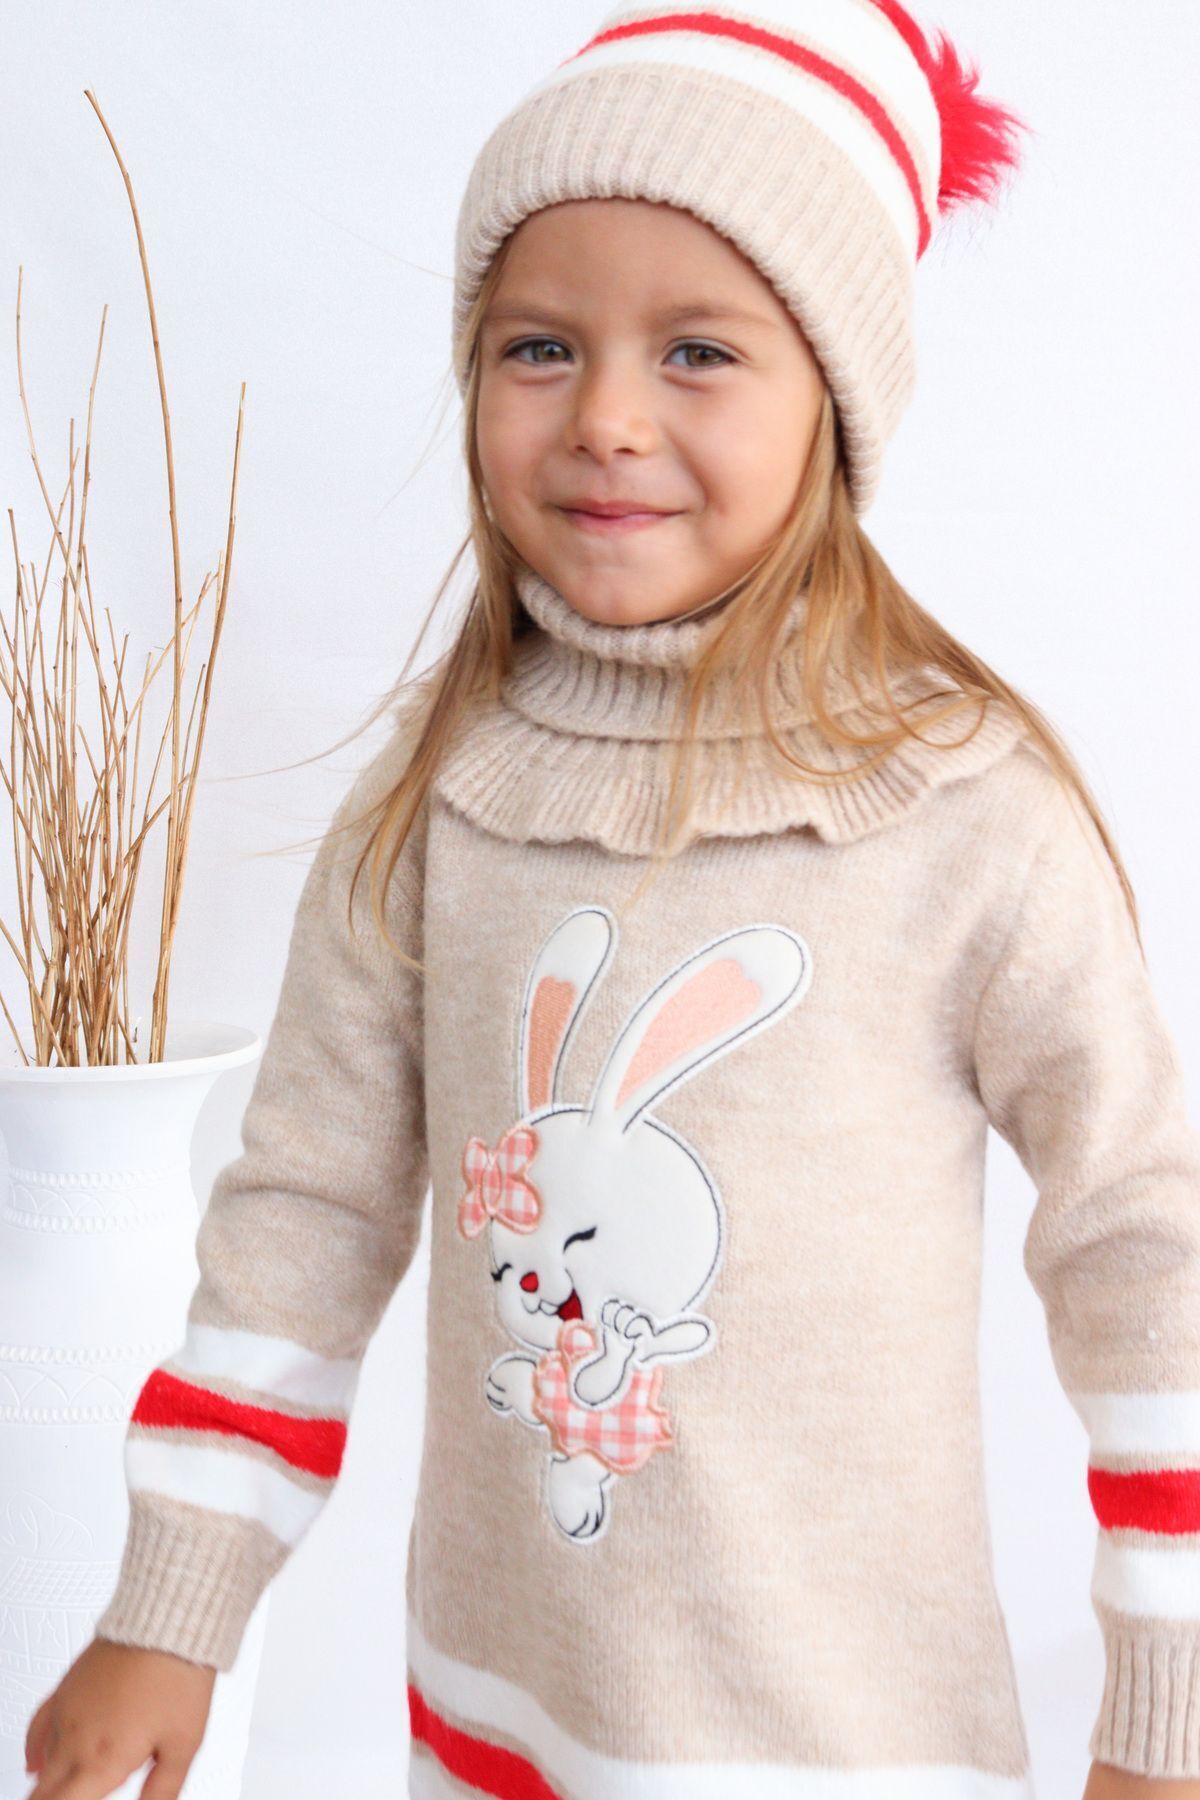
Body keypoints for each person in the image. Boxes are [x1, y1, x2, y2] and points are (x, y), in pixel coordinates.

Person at [23, 5, 1200, 1799]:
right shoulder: (438, 803)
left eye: (701, 350)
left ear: (838, 400)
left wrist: (1168, 1714)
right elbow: (306, 1212)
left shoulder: (970, 819)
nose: (608, 421)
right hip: (497, 1727)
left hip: (850, 1751)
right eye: (539, 346)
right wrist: (173, 1609)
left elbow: (1145, 1251)